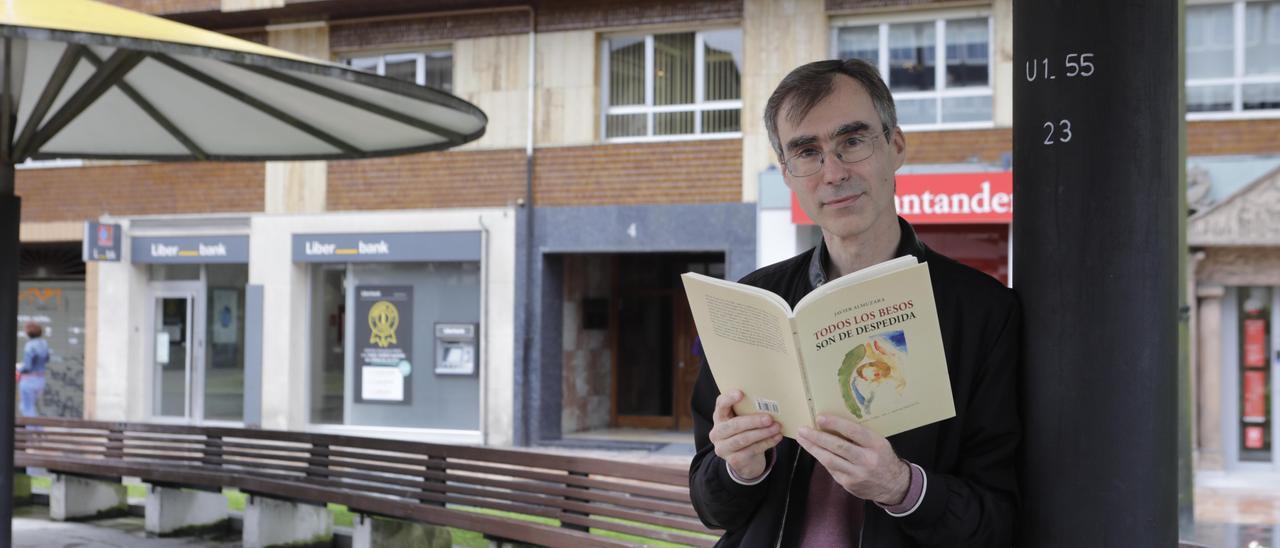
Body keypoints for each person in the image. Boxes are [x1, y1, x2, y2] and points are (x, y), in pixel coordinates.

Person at [688, 59, 1020, 547]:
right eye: (807, 152)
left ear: (896, 146)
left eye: (852, 140)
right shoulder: (752, 304)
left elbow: (1002, 518)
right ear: (786, 173)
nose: (833, 172)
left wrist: (901, 487)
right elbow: (711, 509)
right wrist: (738, 468)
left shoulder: (986, 314)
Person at [18, 322, 49, 418]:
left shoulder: (29, 345)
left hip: (29, 380)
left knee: (25, 407)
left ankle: (34, 431)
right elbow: (47, 359)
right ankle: (36, 430)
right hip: (40, 379)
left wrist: (19, 368)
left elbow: (27, 367)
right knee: (30, 407)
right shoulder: (44, 343)